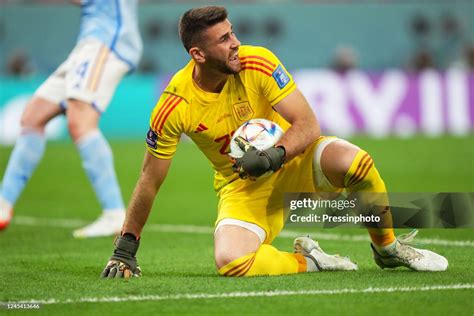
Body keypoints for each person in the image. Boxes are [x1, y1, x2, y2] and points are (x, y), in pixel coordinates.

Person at [101, 6, 447, 279]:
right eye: (223, 39)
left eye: (232, 32)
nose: (235, 42)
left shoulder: (258, 62)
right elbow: (150, 177)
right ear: (198, 54)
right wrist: (126, 246)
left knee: (356, 162)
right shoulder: (174, 106)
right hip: (243, 188)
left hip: (295, 159)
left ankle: (388, 249)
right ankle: (310, 261)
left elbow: (308, 124)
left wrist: (273, 156)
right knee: (231, 262)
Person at [0, 0, 142, 238]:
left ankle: (114, 212)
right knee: (32, 116)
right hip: (89, 42)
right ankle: (3, 204)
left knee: (80, 121)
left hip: (108, 40)